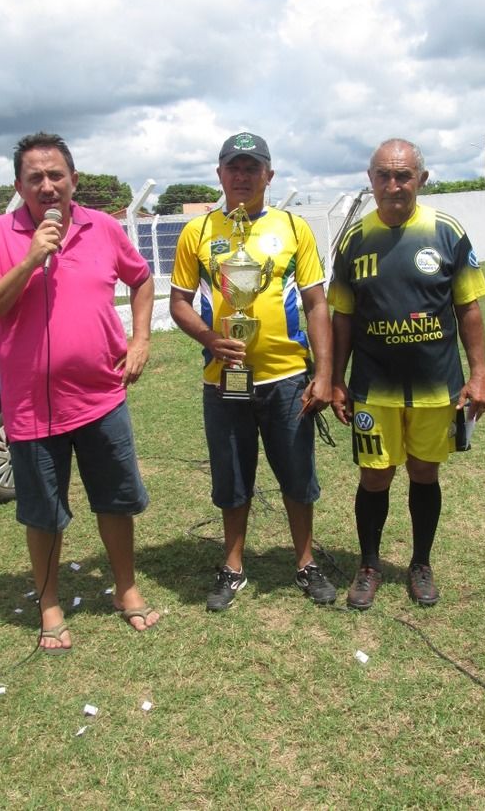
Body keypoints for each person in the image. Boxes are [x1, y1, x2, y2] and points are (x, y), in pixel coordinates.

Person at [0, 132, 159, 650]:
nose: (47, 186)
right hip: (32, 407)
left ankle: (126, 589)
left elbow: (141, 279)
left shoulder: (104, 228)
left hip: (101, 398)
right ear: (19, 186)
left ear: (73, 179)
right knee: (43, 513)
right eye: (35, 178)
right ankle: (49, 604)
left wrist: (140, 339)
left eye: (56, 175)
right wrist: (29, 260)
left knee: (115, 501)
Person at [170, 132, 336, 611]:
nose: (242, 176)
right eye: (233, 168)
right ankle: (233, 567)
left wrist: (324, 374)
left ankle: (305, 562)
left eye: (252, 168)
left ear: (269, 175)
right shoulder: (198, 231)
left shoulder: (293, 227)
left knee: (297, 474)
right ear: (219, 174)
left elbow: (316, 303)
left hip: (287, 378)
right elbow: (179, 302)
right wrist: (210, 339)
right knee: (232, 476)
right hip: (224, 380)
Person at [329, 138, 485, 609]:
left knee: (424, 471)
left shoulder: (446, 232)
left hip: (435, 386)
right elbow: (342, 316)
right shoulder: (354, 239)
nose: (393, 185)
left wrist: (479, 374)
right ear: (371, 180)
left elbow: (468, 307)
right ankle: (368, 565)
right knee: (374, 476)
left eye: (403, 175)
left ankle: (421, 563)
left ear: (421, 179)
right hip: (373, 387)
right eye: (384, 175)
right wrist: (336, 379)